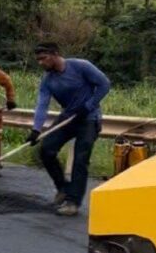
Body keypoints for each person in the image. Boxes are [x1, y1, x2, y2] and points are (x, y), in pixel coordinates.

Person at [27, 42, 110, 217]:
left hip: (88, 118)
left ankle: (73, 202)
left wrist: (88, 105)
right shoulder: (48, 80)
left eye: (44, 58)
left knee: (80, 159)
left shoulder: (81, 66)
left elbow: (104, 84)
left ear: (55, 54)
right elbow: (42, 105)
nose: (41, 63)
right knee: (46, 150)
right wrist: (36, 130)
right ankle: (63, 188)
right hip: (68, 117)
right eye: (38, 60)